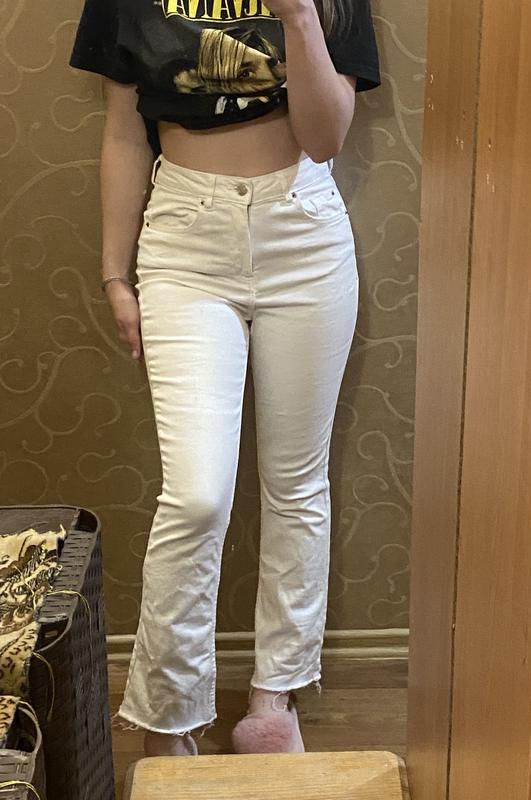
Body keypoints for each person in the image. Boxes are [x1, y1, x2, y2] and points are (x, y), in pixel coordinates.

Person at [68, 0, 381, 758]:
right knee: (198, 495)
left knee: (296, 483)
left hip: (303, 227)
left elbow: (327, 137)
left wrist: (299, 16)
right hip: (184, 238)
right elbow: (123, 131)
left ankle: (275, 698)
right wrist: (115, 273)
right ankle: (168, 715)